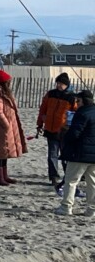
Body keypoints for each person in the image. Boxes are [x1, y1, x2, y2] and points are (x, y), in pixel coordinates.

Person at [56, 89, 95, 217]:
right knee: (92, 182)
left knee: (71, 181)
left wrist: (66, 135)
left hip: (79, 153)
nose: (76, 103)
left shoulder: (82, 113)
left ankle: (66, 207)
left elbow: (75, 133)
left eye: (78, 101)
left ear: (83, 101)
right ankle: (91, 209)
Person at [0, 69, 26, 186]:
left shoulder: (4, 94)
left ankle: (4, 175)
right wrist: (6, 124)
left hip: (8, 126)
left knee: (5, 152)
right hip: (1, 127)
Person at [37, 73, 75, 188]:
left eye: (61, 84)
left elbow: (75, 113)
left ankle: (68, 176)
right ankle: (53, 176)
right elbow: (43, 109)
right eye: (58, 83)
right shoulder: (51, 94)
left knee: (65, 155)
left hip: (64, 131)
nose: (59, 85)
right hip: (50, 129)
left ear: (66, 85)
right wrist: (40, 123)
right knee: (52, 154)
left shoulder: (72, 97)